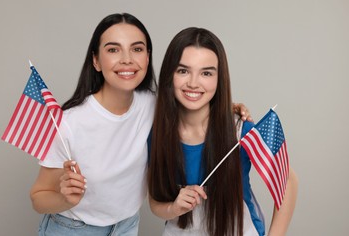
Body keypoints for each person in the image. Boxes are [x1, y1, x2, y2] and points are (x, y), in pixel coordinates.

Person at [30, 13, 252, 235]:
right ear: (96, 60)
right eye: (113, 49)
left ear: (147, 57)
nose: (127, 59)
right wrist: (65, 199)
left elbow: (192, 97)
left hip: (127, 227)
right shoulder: (69, 122)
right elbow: (39, 198)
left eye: (136, 49)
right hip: (74, 229)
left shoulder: (152, 104)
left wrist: (230, 107)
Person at [148, 27, 298, 236]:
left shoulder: (240, 132)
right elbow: (155, 201)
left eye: (206, 73)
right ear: (169, 74)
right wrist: (174, 208)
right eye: (183, 71)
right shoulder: (157, 134)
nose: (193, 82)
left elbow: (288, 180)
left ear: (219, 79)